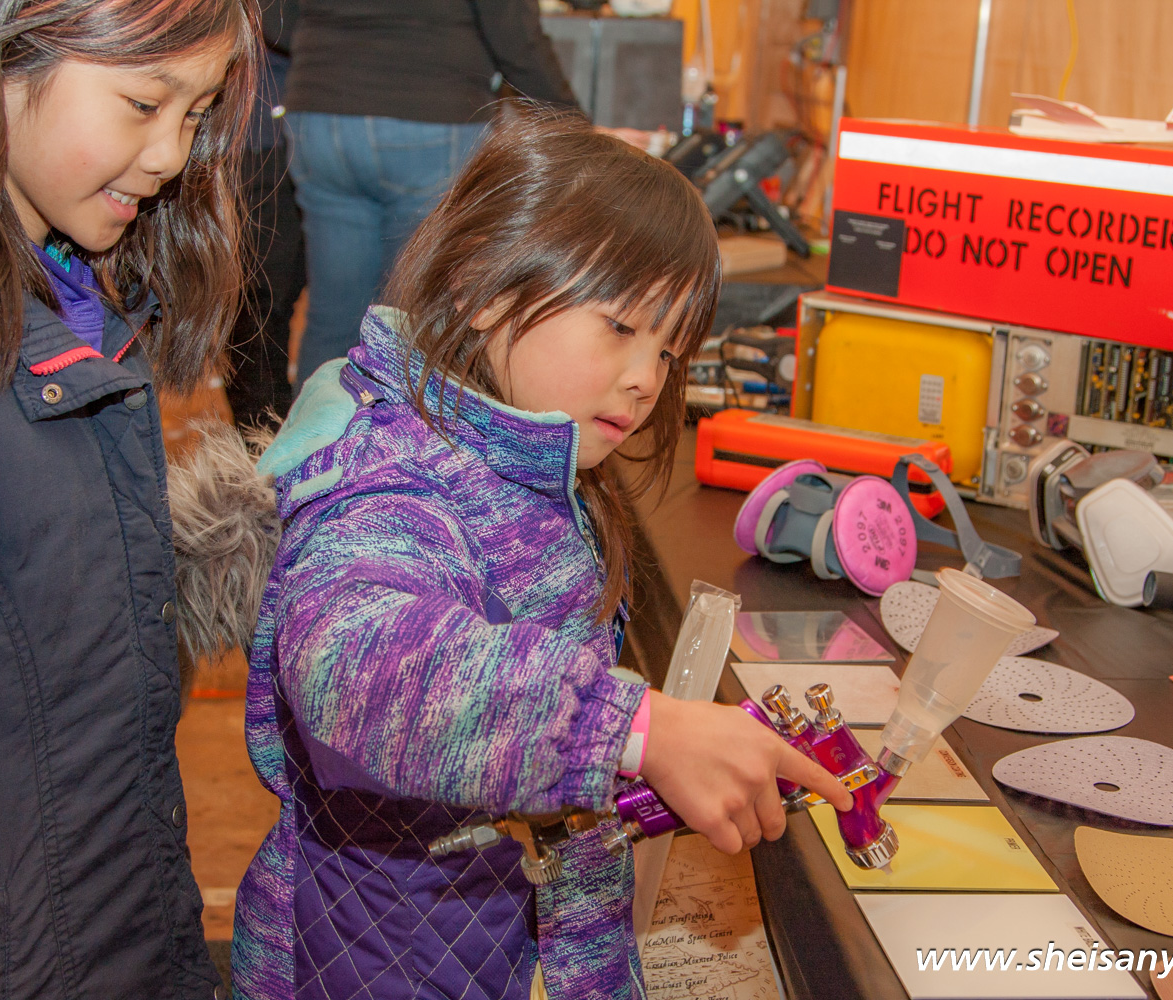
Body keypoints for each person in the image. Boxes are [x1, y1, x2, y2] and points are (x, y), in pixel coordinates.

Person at [230, 101, 853, 1000]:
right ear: (484, 289)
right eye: (621, 327)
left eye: (670, 350)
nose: (646, 378)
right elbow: (353, 662)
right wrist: (630, 730)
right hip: (385, 961)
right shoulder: (385, 476)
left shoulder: (525, 451)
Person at [0, 0, 260, 996]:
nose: (170, 156)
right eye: (143, 103)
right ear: (0, 60)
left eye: (196, 114)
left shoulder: (75, 292)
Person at [282, 0, 581, 389]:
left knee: (333, 313)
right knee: (416, 319)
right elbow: (513, 33)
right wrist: (574, 127)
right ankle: (402, 430)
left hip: (321, 111)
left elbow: (273, 15)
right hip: (430, 112)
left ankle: (317, 427)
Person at [221, 0, 304, 430]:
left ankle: (271, 430)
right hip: (257, 136)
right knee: (260, 303)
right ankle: (260, 436)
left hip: (289, 134)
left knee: (268, 302)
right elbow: (279, 25)